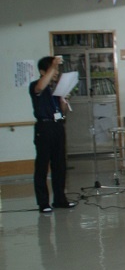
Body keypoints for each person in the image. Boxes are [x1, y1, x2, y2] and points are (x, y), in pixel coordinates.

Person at [30, 56, 74, 213]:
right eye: (53, 70)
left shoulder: (56, 89)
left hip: (57, 127)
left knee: (59, 165)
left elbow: (61, 113)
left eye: (56, 70)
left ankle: (60, 199)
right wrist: (54, 63)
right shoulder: (36, 85)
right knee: (42, 166)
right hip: (44, 127)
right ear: (43, 71)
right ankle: (43, 202)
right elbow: (40, 88)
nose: (56, 72)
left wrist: (63, 100)